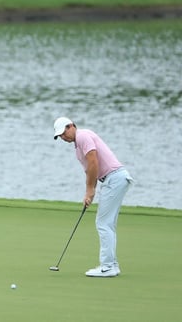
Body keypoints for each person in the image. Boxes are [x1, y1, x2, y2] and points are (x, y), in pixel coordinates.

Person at [53, 117, 134, 277]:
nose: (63, 137)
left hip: (114, 178)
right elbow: (90, 170)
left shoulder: (82, 136)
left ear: (71, 126)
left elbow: (93, 162)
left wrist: (90, 190)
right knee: (107, 224)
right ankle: (112, 265)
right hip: (113, 179)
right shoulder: (78, 148)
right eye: (60, 136)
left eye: (64, 132)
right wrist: (89, 192)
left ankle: (108, 266)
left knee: (103, 223)